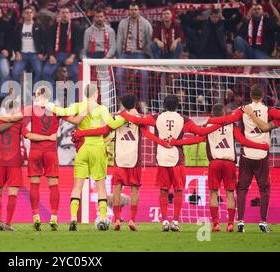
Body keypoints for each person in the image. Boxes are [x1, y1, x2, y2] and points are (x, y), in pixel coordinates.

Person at [119, 95, 221, 232]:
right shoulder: (183, 119)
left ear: (164, 105)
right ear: (177, 105)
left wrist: (123, 113)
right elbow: (201, 134)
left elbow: (136, 120)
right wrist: (220, 122)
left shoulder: (157, 117)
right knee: (178, 190)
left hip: (162, 158)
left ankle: (165, 221)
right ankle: (175, 221)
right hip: (177, 159)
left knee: (163, 190)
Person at [75, 94, 173, 231]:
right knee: (134, 190)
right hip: (134, 160)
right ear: (135, 104)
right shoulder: (139, 119)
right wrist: (162, 142)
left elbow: (103, 131)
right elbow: (149, 134)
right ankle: (132, 220)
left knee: (116, 188)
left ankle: (116, 220)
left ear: (122, 104)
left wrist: (83, 133)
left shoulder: (116, 118)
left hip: (119, 160)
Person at [170, 103, 269, 232]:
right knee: (230, 193)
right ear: (224, 114)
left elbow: (195, 140)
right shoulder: (231, 125)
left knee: (213, 193)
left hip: (215, 163)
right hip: (229, 163)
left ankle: (216, 224)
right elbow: (243, 141)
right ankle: (230, 224)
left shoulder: (208, 126)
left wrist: (176, 142)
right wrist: (261, 146)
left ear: (212, 114)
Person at [45, 84, 127, 231]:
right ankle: (103, 218)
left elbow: (63, 111)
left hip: (83, 149)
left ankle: (73, 218)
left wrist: (48, 105)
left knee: (77, 186)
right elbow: (113, 125)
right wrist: (126, 117)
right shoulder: (101, 109)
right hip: (97, 148)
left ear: (85, 94)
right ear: (96, 93)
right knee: (100, 186)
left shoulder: (80, 105)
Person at [207, 84, 280, 233]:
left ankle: (240, 221)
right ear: (264, 96)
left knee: (242, 188)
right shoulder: (270, 111)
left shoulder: (242, 110)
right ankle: (263, 222)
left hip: (246, 155)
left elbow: (228, 119)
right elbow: (268, 126)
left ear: (250, 95)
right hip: (262, 156)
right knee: (264, 189)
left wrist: (210, 121)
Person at [21, 86, 85, 231]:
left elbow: (26, 133)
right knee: (53, 185)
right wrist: (86, 108)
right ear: (49, 96)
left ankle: (36, 216)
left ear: (36, 95)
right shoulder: (56, 109)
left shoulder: (30, 109)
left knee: (34, 184)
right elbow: (75, 120)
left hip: (35, 151)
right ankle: (54, 217)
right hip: (50, 152)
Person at [0, 101, 27, 231]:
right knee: (12, 193)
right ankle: (8, 223)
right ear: (16, 109)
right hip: (14, 162)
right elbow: (26, 135)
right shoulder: (20, 123)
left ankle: (0, 220)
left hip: (0, 162)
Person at [116, 2, 153, 106]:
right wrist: (119, 57)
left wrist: (151, 58)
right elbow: (119, 40)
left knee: (144, 74)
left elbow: (150, 41)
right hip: (125, 54)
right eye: (131, 10)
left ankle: (143, 101)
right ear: (129, 11)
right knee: (119, 74)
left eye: (135, 9)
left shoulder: (146, 23)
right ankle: (122, 103)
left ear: (139, 10)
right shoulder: (123, 23)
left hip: (140, 54)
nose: (133, 12)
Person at [43, 6, 82, 88]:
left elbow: (78, 44)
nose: (65, 15)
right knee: (46, 72)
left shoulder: (76, 27)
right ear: (59, 14)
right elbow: (49, 43)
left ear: (70, 14)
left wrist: (72, 57)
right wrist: (51, 56)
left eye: (67, 13)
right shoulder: (53, 27)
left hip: (70, 55)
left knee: (76, 73)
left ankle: (74, 99)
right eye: (63, 13)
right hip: (56, 55)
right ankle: (53, 96)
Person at [12, 5, 45, 85]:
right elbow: (14, 40)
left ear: (33, 14)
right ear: (23, 15)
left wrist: (42, 53)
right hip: (22, 53)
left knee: (39, 72)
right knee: (15, 73)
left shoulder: (39, 26)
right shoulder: (18, 27)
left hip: (35, 54)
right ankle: (17, 94)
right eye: (27, 13)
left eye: (31, 12)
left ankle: (34, 92)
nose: (29, 14)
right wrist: (17, 52)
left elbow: (44, 41)